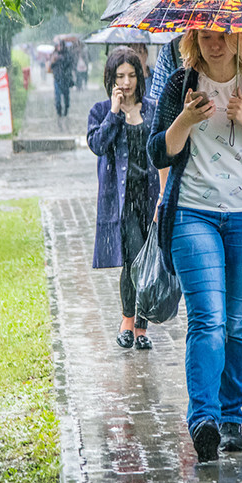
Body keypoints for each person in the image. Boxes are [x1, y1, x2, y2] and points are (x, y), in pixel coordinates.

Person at [147, 30, 242, 462]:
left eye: (224, 36)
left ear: (241, 39)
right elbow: (157, 152)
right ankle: (204, 420)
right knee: (208, 318)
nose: (215, 45)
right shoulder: (180, 84)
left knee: (237, 321)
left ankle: (232, 418)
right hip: (193, 214)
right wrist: (185, 121)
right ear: (194, 39)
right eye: (206, 36)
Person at [87, 47, 160, 351]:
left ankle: (142, 329)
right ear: (111, 78)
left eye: (131, 75)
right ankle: (127, 322)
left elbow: (165, 151)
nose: (127, 82)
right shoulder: (101, 110)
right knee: (132, 260)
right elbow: (97, 145)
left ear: (140, 75)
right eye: (120, 76)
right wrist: (115, 113)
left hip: (151, 196)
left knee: (148, 261)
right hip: (123, 200)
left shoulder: (153, 109)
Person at [49, 41, 74, 117]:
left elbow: (70, 64)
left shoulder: (67, 54)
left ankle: (66, 109)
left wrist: (62, 59)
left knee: (66, 96)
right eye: (58, 46)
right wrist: (54, 60)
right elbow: (51, 67)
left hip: (65, 79)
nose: (59, 47)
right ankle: (59, 111)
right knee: (57, 97)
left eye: (61, 45)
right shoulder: (54, 55)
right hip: (57, 78)